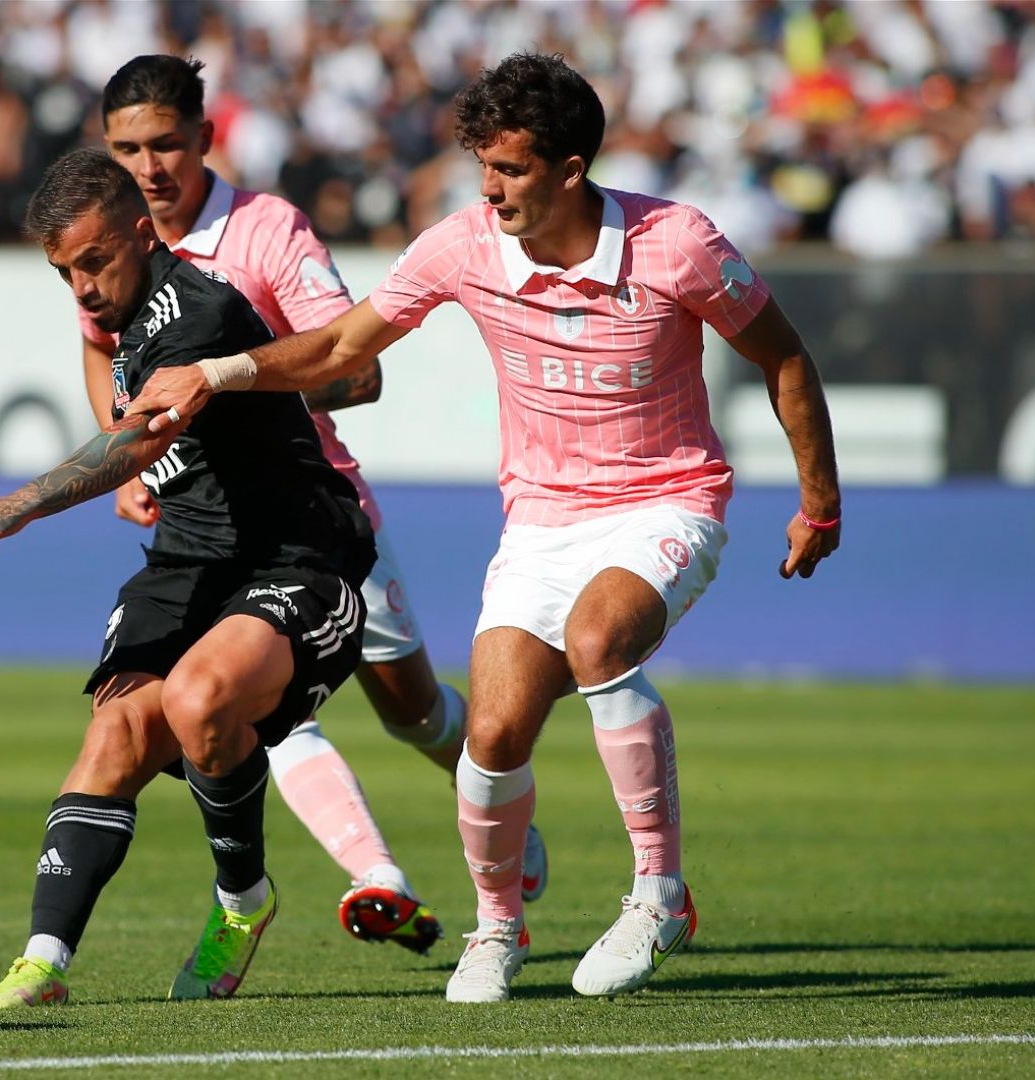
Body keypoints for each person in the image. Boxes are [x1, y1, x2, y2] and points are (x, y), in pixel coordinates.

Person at [130, 53, 842, 1003]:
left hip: (665, 499)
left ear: (571, 169)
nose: (488, 186)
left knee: (597, 643)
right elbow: (344, 345)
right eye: (483, 164)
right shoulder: (464, 245)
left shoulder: (679, 245)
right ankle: (496, 931)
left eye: (508, 168)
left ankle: (659, 895)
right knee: (493, 734)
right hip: (541, 521)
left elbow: (785, 356)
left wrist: (818, 501)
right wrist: (217, 375)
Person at [84, 55, 544, 950]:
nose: (147, 167)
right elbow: (101, 352)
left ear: (206, 139)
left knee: (412, 711)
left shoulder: (266, 233)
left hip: (319, 521)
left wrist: (227, 387)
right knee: (241, 702)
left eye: (165, 144)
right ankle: (379, 877)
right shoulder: (108, 242)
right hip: (210, 540)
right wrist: (132, 455)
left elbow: (358, 370)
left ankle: (502, 803)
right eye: (126, 148)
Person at [0, 148, 377, 1008]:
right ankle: (42, 964)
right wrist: (152, 480)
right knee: (116, 733)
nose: (83, 287)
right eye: (65, 273)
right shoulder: (125, 321)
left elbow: (137, 437)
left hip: (298, 561)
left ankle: (242, 902)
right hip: (188, 564)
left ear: (143, 234)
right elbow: (139, 424)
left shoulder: (196, 313)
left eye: (95, 262)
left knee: (200, 699)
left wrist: (21, 503)